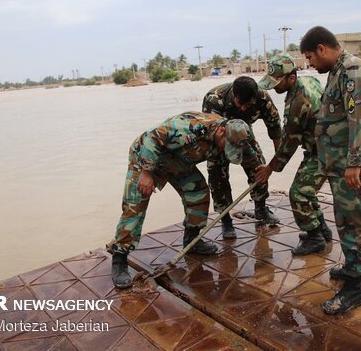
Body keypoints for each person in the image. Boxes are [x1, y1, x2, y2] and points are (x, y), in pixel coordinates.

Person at [110, 111, 262, 289]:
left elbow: (252, 158)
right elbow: (153, 138)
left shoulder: (237, 134)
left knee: (198, 193)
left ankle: (192, 240)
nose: (225, 150)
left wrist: (262, 171)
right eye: (226, 146)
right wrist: (146, 172)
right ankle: (119, 259)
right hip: (146, 157)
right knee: (135, 206)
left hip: (180, 161)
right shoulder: (190, 128)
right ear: (221, 132)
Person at [300, 26, 361, 315]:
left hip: (354, 168)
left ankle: (354, 289)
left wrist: (355, 163)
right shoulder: (337, 71)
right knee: (347, 223)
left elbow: (358, 119)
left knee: (355, 227)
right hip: (341, 167)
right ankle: (354, 269)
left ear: (322, 49)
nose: (310, 64)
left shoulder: (354, 71)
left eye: (310, 57)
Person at [255, 54, 333, 256]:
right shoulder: (309, 80)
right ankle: (321, 229)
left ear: (291, 78)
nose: (273, 88)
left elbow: (290, 141)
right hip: (323, 145)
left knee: (298, 193)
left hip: (325, 151)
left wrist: (269, 169)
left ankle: (315, 238)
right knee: (307, 190)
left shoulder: (298, 101)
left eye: (277, 83)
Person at [202, 76, 282, 239]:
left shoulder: (262, 98)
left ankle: (261, 209)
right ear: (233, 94)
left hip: (244, 134)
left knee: (260, 167)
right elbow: (212, 133)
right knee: (217, 174)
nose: (245, 108)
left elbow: (275, 127)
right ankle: (226, 220)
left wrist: (278, 161)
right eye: (241, 104)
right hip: (219, 138)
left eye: (249, 105)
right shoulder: (214, 100)